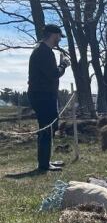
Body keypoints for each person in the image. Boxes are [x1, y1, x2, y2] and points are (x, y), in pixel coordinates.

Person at [28, 23, 69, 172]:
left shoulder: (43, 50)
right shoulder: (43, 52)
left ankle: (46, 161)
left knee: (51, 126)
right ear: (53, 35)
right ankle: (44, 164)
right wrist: (64, 64)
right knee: (46, 128)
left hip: (44, 95)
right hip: (42, 96)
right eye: (59, 36)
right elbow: (53, 74)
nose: (59, 39)